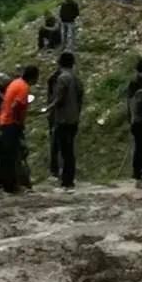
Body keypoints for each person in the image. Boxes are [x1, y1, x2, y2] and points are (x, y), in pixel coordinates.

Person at [0, 64, 40, 193]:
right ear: (33, 77)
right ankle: (12, 186)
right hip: (11, 123)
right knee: (12, 155)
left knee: (6, 155)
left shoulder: (16, 82)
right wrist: (18, 121)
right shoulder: (24, 87)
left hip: (4, 120)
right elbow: (16, 105)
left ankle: (7, 184)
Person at [49, 52, 84, 189]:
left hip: (63, 118)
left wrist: (49, 108)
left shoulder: (63, 78)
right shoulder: (76, 78)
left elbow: (59, 97)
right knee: (69, 149)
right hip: (74, 117)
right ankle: (69, 178)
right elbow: (80, 97)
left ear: (60, 63)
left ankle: (66, 180)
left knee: (64, 150)